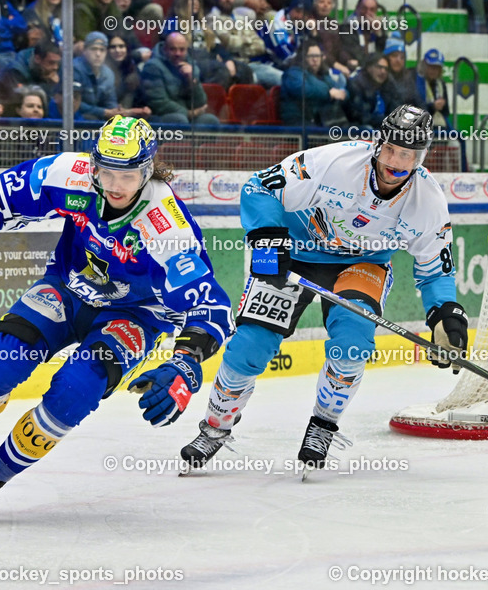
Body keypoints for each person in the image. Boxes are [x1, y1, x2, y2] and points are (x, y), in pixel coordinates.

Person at [0, 115, 234, 525]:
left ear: (148, 169)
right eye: (107, 171)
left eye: (130, 174)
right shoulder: (76, 173)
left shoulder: (165, 225)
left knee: (76, 391)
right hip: (67, 290)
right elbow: (4, 193)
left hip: (135, 315)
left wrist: (186, 362)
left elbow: (214, 306)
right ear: (94, 163)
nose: (116, 185)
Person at [179, 105, 467, 472]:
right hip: (296, 254)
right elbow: (259, 187)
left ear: (421, 158)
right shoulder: (335, 161)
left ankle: (323, 424)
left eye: (408, 154)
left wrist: (444, 316)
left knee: (351, 345)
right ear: (379, 143)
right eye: (392, 149)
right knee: (249, 347)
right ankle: (216, 429)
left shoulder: (428, 201)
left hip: (362, 265)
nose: (396, 162)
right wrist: (268, 237)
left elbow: (434, 271)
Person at [139, 31, 221, 126]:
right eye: (173, 49)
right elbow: (158, 103)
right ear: (165, 49)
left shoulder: (191, 66)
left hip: (187, 115)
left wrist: (191, 81)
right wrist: (189, 114)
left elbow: (201, 102)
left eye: (182, 50)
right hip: (159, 116)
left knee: (210, 120)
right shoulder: (152, 67)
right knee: (179, 120)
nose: (178, 53)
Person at [279, 40, 347, 127]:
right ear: (303, 57)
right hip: (298, 123)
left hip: (320, 120)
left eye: (318, 56)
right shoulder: (292, 73)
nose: (315, 59)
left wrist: (342, 93)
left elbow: (340, 91)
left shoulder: (324, 74)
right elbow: (304, 90)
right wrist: (329, 93)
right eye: (311, 56)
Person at [345, 52, 388, 129]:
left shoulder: (386, 86)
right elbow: (363, 117)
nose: (383, 72)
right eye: (379, 67)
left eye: (386, 69)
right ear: (368, 67)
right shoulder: (356, 85)